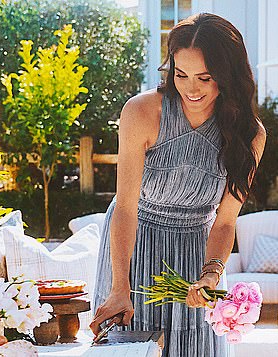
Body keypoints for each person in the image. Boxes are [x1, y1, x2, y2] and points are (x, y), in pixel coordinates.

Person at [89, 13, 266, 357]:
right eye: (181, 74)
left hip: (198, 252)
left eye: (205, 77)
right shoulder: (142, 112)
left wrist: (211, 275)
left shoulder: (250, 135)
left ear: (227, 76)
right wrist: (119, 287)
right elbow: (125, 207)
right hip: (134, 246)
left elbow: (226, 220)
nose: (191, 88)